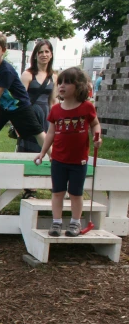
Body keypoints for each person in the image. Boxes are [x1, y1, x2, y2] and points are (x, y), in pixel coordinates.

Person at [34, 67, 102, 237]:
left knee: (75, 193)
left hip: (79, 161)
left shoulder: (86, 107)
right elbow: (50, 132)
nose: (62, 86)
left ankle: (75, 223)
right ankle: (56, 222)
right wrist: (43, 152)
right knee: (57, 192)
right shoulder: (56, 110)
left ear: (78, 86)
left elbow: (95, 124)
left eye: (68, 82)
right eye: (60, 83)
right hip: (58, 159)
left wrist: (96, 137)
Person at [16, 40, 57, 198]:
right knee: (28, 147)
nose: (44, 55)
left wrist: (56, 120)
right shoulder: (28, 74)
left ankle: (53, 182)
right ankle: (29, 188)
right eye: (40, 52)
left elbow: (53, 101)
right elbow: (20, 99)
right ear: (35, 55)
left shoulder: (54, 76)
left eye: (47, 51)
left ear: (51, 54)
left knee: (47, 148)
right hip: (29, 115)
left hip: (46, 116)